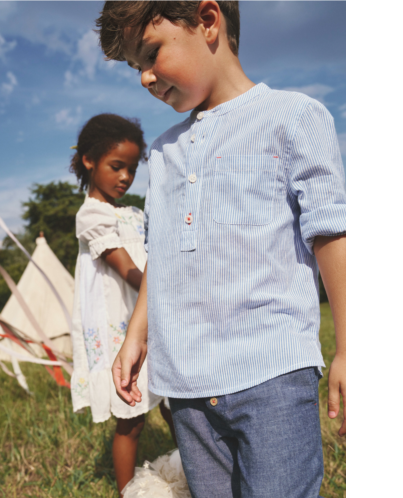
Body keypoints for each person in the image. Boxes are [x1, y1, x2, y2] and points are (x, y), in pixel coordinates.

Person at [97, 2, 347, 497]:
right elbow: (160, 252)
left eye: (150, 54)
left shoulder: (294, 118)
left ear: (208, 21)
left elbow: (331, 233)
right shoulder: (164, 152)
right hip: (186, 386)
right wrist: (136, 336)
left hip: (272, 373)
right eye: (135, 68)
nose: (145, 78)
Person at [69, 114, 177, 496]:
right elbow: (127, 268)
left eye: (132, 169)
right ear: (89, 161)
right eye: (117, 167)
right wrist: (164, 282)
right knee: (131, 420)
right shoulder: (92, 215)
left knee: (175, 404)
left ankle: (196, 471)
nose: (126, 177)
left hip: (150, 322)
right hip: (122, 327)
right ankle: (127, 490)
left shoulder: (131, 214)